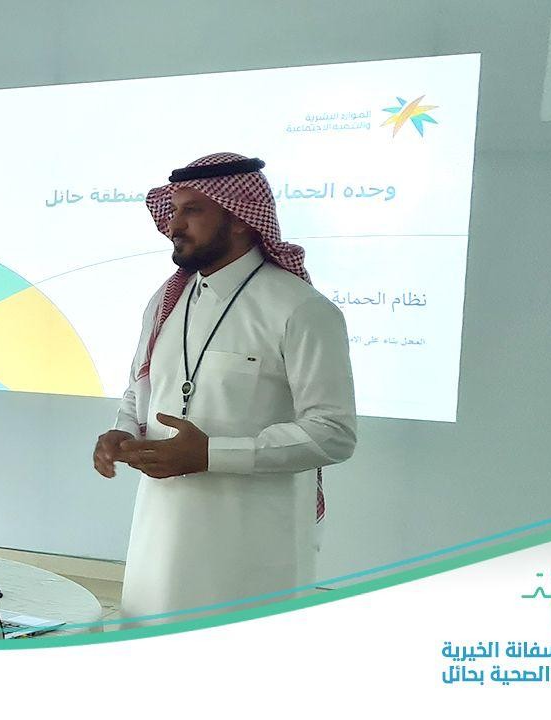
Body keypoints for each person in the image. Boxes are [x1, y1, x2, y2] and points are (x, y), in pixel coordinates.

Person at [92, 152, 357, 625]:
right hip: (159, 541)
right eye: (174, 211)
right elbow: (140, 388)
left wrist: (211, 455)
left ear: (239, 219)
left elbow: (333, 432)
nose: (174, 225)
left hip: (250, 557)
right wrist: (123, 431)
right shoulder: (167, 299)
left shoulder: (300, 309)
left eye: (192, 211)